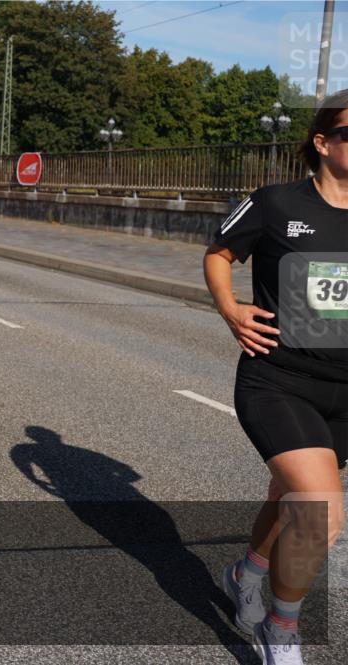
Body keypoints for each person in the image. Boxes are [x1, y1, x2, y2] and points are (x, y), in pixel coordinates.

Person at [206, 92, 347, 665]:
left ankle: (248, 569)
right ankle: (282, 628)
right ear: (323, 143)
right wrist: (231, 309)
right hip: (279, 380)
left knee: (288, 498)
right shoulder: (273, 203)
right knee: (318, 509)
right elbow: (218, 254)